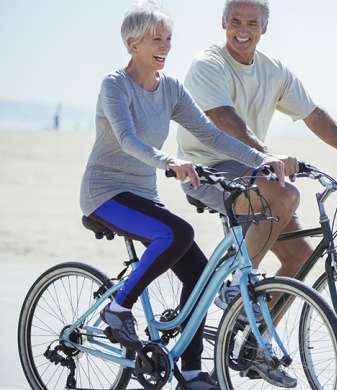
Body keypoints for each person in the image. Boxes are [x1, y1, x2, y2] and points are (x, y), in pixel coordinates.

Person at [79, 3, 283, 389]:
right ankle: (119, 308)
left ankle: (190, 371)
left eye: (169, 39)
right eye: (157, 39)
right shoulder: (114, 85)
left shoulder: (170, 88)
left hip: (142, 194)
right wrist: (169, 162)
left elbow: (209, 134)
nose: (166, 46)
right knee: (177, 233)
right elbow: (127, 139)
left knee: (199, 275)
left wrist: (261, 159)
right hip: (105, 192)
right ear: (132, 44)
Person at [177, 0, 337, 308]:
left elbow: (313, 115)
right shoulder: (208, 64)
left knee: (299, 258)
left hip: (253, 168)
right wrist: (266, 155)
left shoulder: (273, 71)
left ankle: (255, 351)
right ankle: (238, 282)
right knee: (285, 193)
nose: (242, 30)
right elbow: (223, 118)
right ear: (223, 23)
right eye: (236, 22)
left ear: (265, 28)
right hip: (207, 168)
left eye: (252, 24)